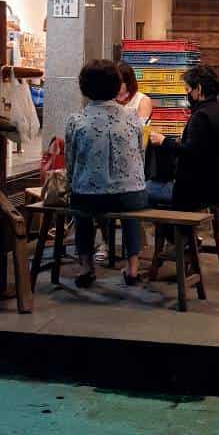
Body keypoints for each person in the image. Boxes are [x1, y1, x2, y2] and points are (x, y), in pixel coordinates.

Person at [64, 59, 148, 288]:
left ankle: (85, 266)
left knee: (81, 208)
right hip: (133, 194)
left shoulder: (76, 120)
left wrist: (71, 186)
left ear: (84, 87)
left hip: (89, 196)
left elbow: (71, 163)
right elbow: (140, 156)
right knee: (131, 208)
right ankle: (132, 268)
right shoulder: (132, 119)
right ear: (116, 85)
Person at [147, 65, 219, 210]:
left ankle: (175, 231)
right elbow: (206, 147)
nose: (187, 94)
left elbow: (191, 152)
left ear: (199, 89)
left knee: (145, 190)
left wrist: (163, 141)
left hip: (198, 189)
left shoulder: (201, 115)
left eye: (188, 89)